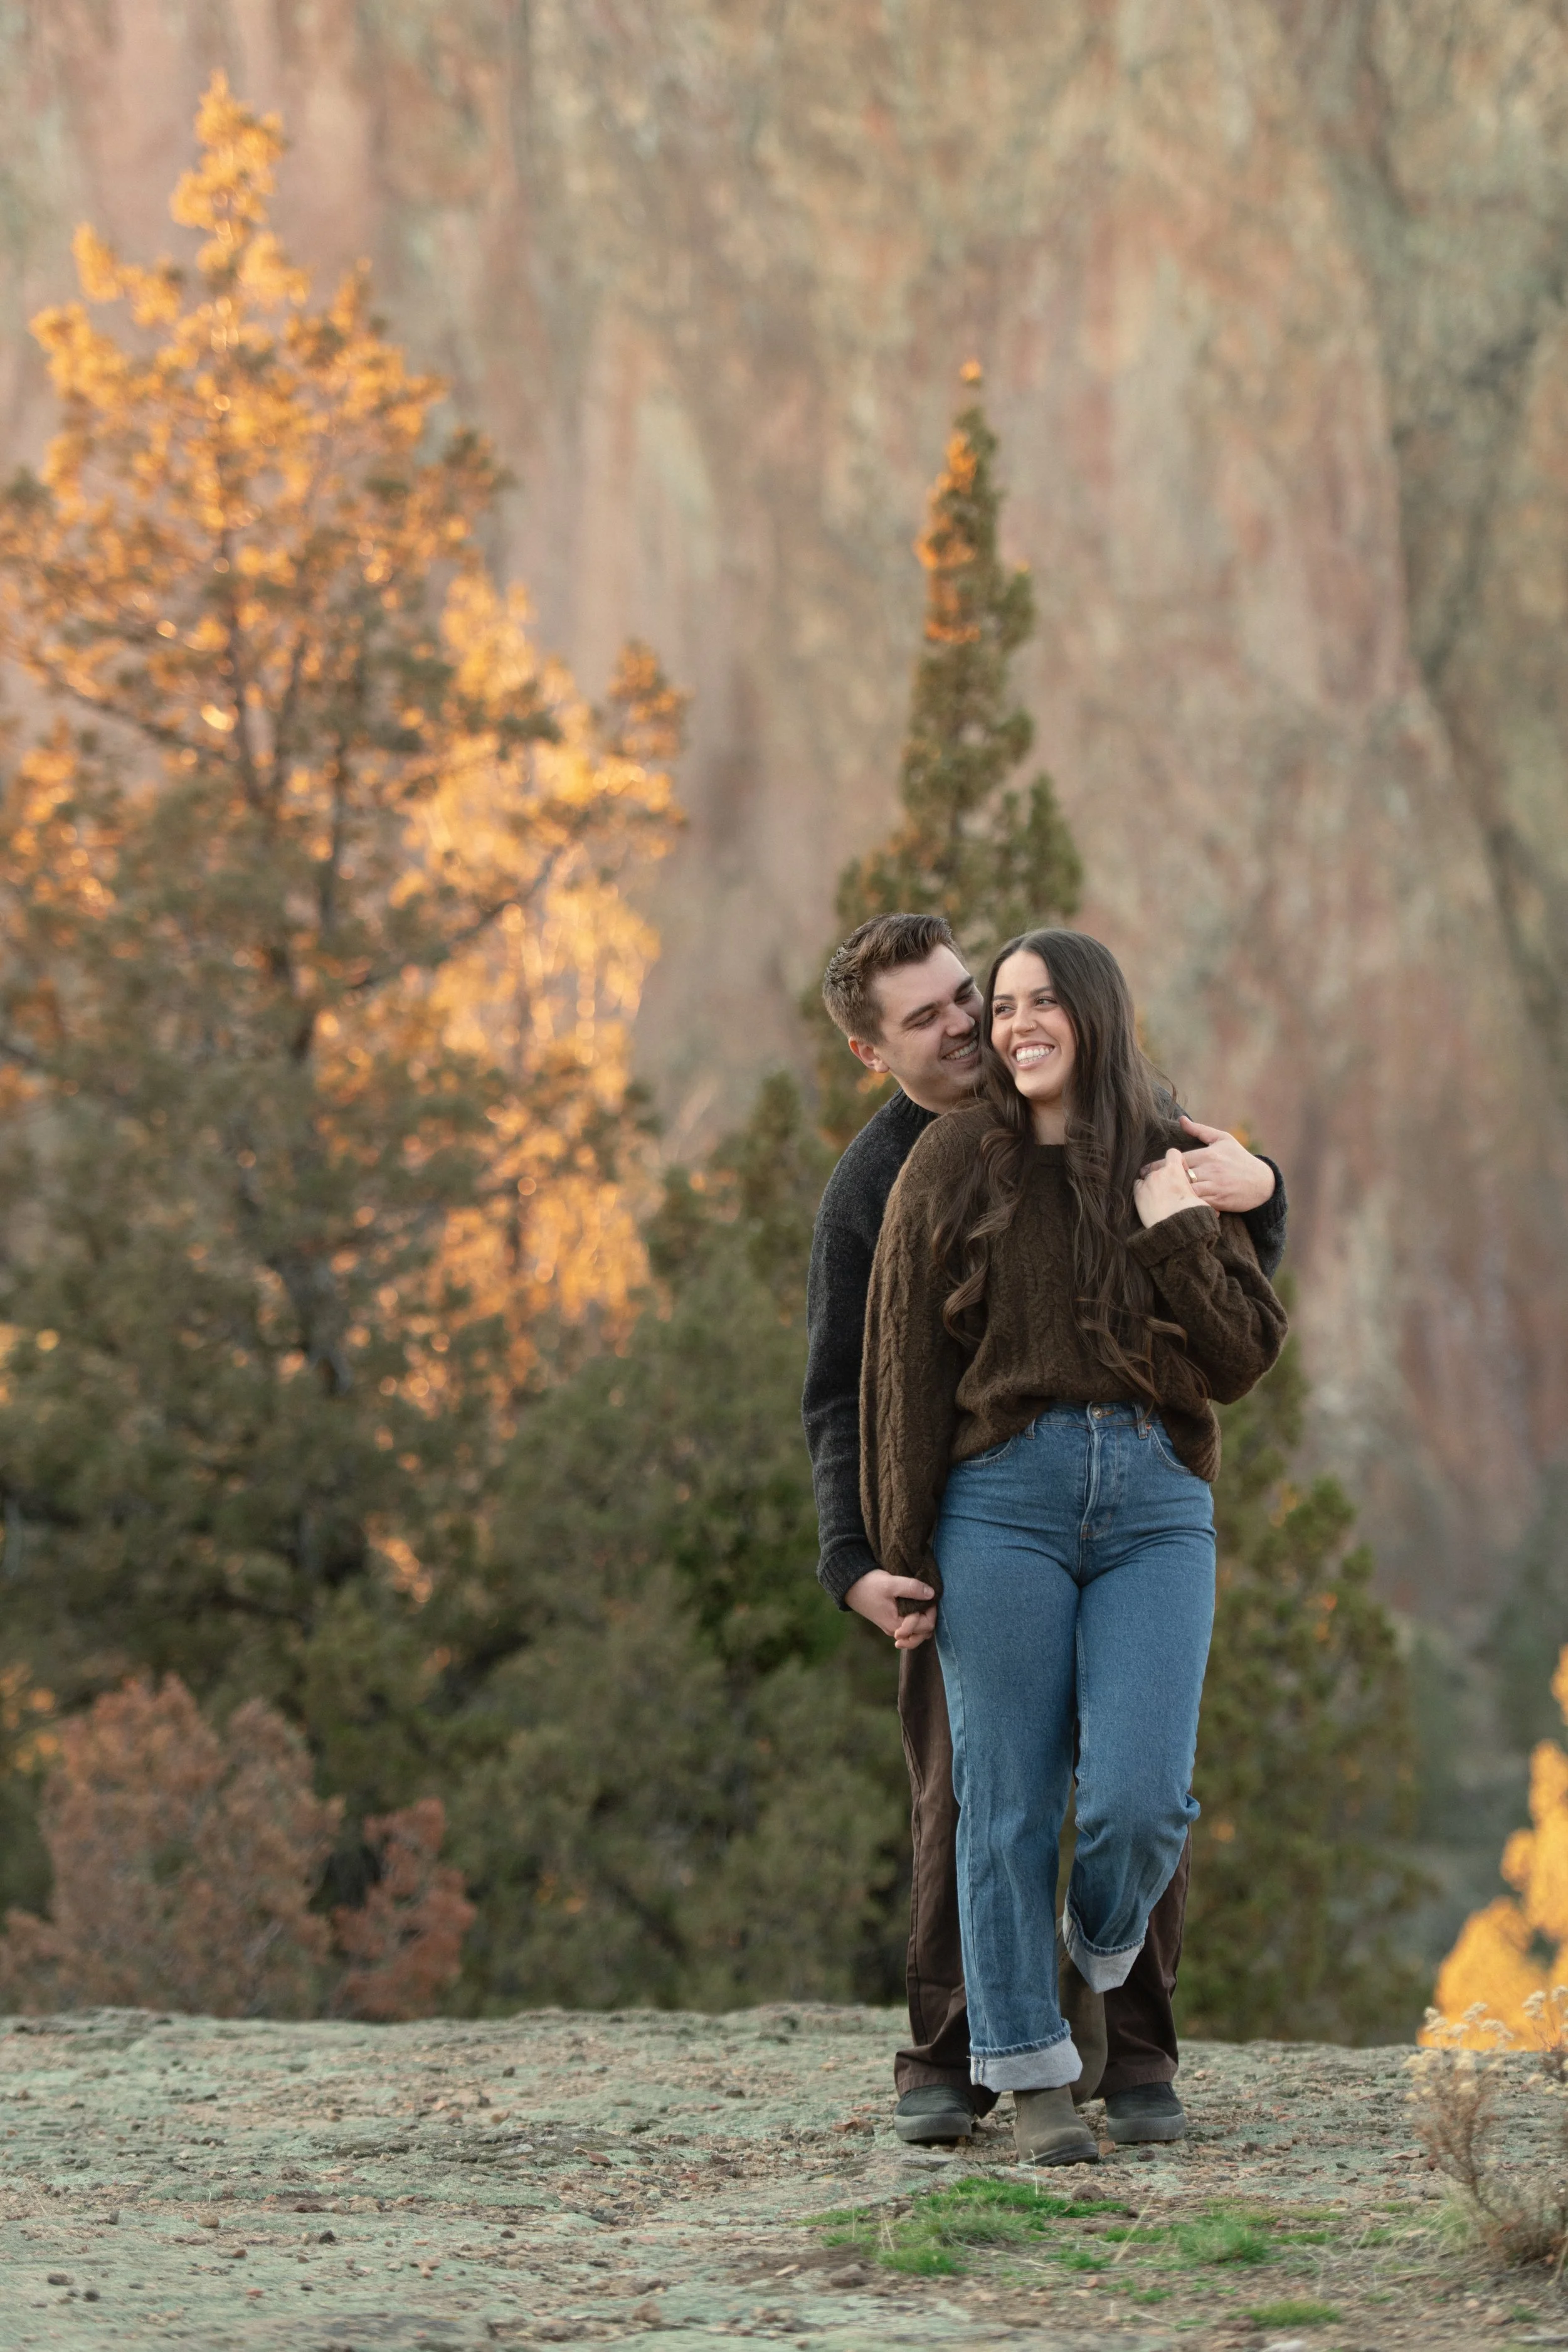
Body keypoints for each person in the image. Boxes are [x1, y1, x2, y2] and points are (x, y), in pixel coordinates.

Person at [803, 912, 1288, 2149]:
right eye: (933, 1018)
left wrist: (1262, 1186)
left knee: (1136, 1796)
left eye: (975, 996)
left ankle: (1131, 2053)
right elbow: (856, 1389)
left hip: (1141, 1490)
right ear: (876, 1054)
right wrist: (865, 1560)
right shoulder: (886, 1181)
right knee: (971, 1798)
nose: (973, 1025)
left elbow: (1230, 1301)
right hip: (978, 1502)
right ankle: (962, 2064)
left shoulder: (1127, 1117)